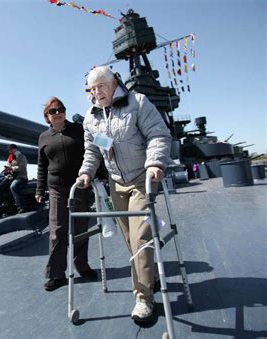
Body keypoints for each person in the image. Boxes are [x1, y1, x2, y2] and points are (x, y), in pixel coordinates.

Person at [77, 66, 172, 322]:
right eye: (92, 89)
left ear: (114, 83)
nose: (96, 93)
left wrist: (155, 162)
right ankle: (148, 277)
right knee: (131, 240)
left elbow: (158, 134)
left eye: (101, 87)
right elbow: (93, 151)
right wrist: (86, 172)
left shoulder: (137, 102)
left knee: (141, 237)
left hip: (142, 179)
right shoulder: (91, 117)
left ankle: (143, 299)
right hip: (116, 183)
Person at [36, 97, 97, 292]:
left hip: (80, 186)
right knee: (57, 231)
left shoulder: (78, 130)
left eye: (60, 109)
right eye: (52, 111)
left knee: (81, 228)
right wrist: (39, 189)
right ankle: (56, 274)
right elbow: (41, 166)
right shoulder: (43, 137)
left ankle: (82, 266)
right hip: (56, 189)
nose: (57, 113)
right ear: (47, 116)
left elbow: (97, 144)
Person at [0, 144, 28, 213]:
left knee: (13, 186)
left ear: (14, 149)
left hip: (21, 177)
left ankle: (22, 206)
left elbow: (22, 167)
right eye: (9, 150)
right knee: (0, 187)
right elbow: (7, 165)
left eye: (10, 150)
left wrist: (11, 168)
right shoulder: (10, 158)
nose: (9, 152)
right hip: (11, 177)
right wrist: (6, 169)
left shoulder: (22, 157)